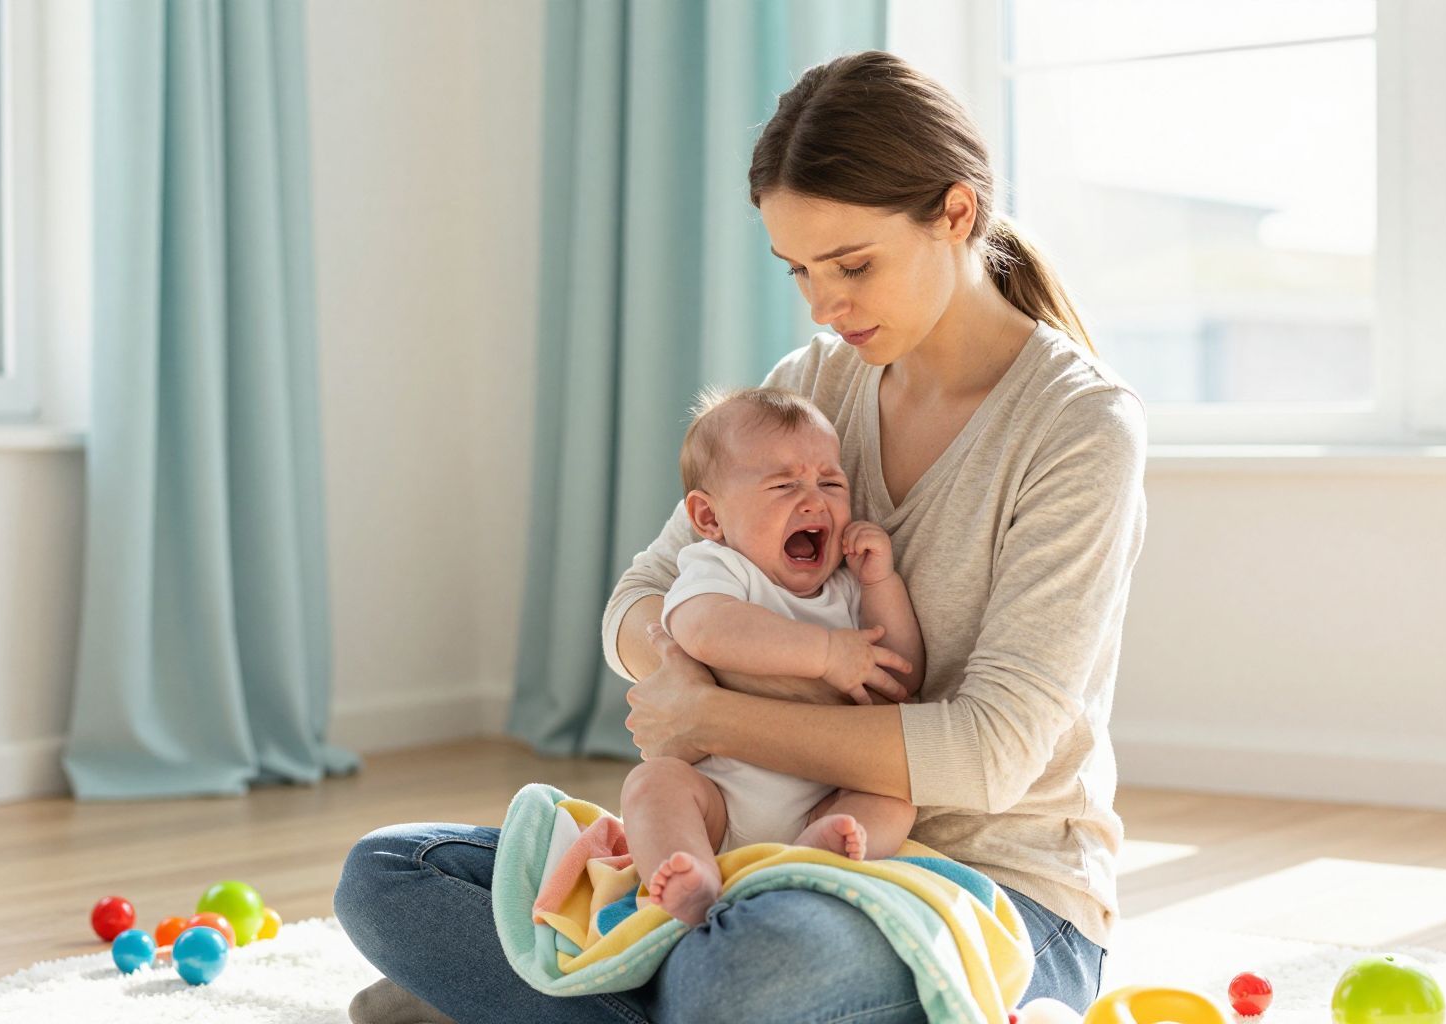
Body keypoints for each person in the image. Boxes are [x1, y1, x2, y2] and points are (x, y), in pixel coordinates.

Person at [335, 49, 1145, 1023]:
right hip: (748, 855)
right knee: (389, 873)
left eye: (853, 265)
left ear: (956, 214)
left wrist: (712, 717)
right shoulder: (812, 385)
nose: (825, 306)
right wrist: (691, 663)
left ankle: (542, 987)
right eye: (799, 270)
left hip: (993, 893)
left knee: (737, 974)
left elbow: (987, 756)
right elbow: (638, 601)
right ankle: (607, 986)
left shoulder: (1079, 426)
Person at [624, 385, 925, 927]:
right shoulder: (720, 568)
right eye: (784, 485)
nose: (814, 501)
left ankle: (810, 860)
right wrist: (826, 653)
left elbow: (899, 677)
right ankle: (690, 874)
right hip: (718, 798)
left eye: (831, 483)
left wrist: (881, 583)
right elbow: (707, 631)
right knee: (653, 786)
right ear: (709, 517)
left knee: (894, 800)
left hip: (821, 798)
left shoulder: (847, 586)